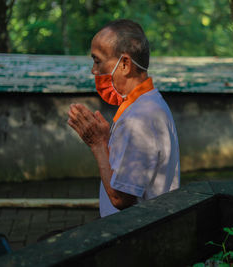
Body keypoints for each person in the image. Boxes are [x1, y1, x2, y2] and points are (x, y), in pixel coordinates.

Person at [67, 19, 180, 217]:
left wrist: (98, 145)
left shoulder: (139, 118)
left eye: (97, 60)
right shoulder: (149, 103)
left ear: (125, 64)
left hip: (133, 234)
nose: (94, 70)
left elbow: (121, 198)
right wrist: (106, 140)